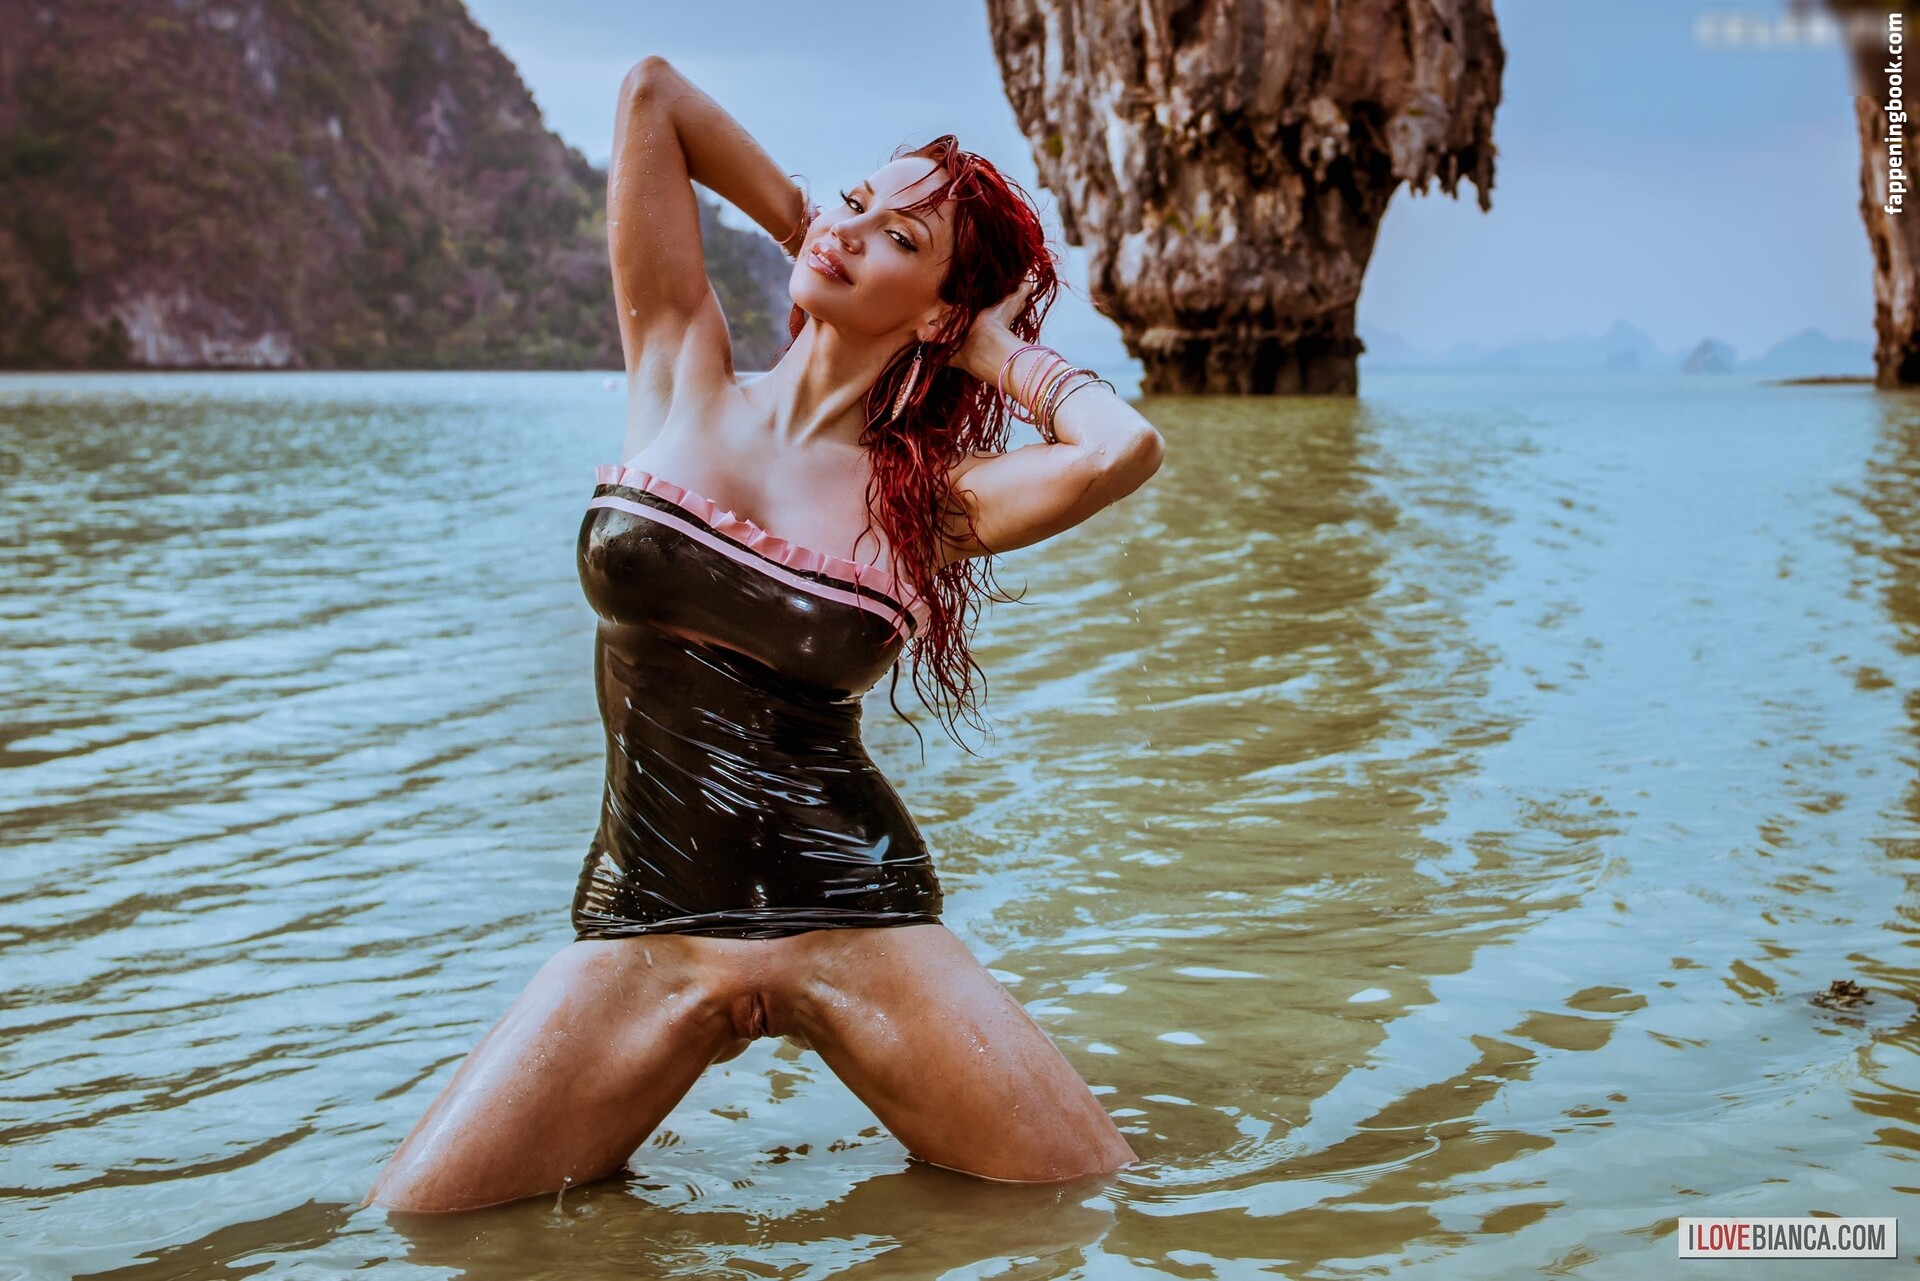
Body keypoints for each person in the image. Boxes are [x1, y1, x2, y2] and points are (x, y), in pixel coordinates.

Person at [360, 54, 1164, 1214]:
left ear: (939, 311)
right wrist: (821, 229)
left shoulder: (929, 504)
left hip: (854, 913)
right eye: (856, 199)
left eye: (900, 239)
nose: (854, 228)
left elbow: (1120, 451)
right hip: (647, 917)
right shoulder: (680, 369)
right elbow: (655, 98)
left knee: (1086, 1206)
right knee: (420, 1226)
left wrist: (992, 349)